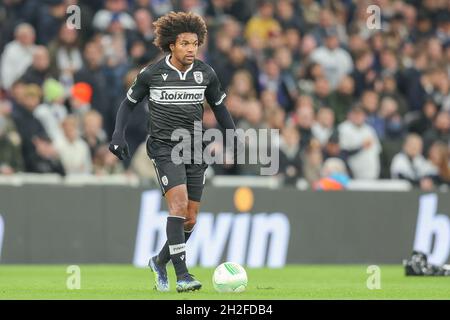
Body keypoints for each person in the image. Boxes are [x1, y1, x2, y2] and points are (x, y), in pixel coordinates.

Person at [108, 12, 237, 292]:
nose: (191, 49)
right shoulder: (152, 74)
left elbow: (220, 107)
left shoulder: (205, 73)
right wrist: (118, 135)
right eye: (185, 44)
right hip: (165, 148)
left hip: (194, 149)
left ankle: (159, 260)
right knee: (177, 207)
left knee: (190, 218)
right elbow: (128, 104)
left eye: (194, 43)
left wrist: (233, 138)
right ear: (171, 46)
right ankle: (183, 275)